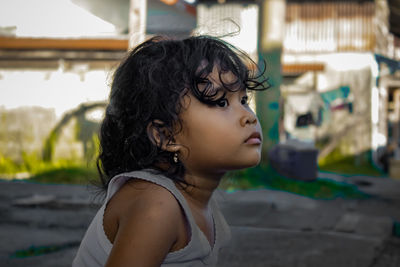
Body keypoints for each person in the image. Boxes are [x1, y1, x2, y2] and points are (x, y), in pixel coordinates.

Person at [72, 35, 268, 267]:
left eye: (244, 100)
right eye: (221, 102)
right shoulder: (156, 204)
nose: (248, 116)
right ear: (165, 136)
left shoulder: (195, 199)